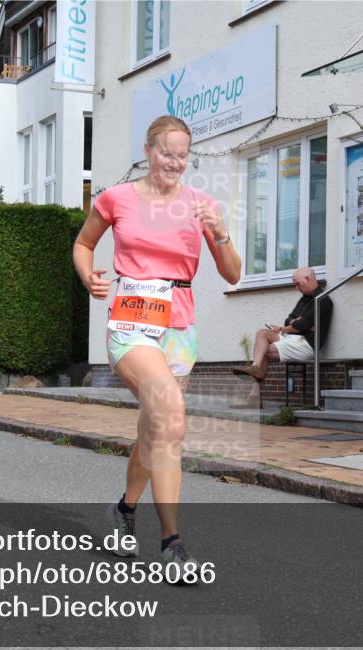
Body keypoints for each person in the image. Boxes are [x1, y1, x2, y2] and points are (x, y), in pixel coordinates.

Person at [73, 115, 241, 574]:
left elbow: (232, 274)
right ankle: (172, 544)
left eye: (182, 155)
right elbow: (84, 244)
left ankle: (124, 510)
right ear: (148, 150)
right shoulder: (116, 198)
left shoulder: (201, 204)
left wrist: (221, 232)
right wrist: (88, 276)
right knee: (170, 414)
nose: (174, 162)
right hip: (131, 321)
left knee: (156, 431)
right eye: (167, 153)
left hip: (179, 329)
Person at [229, 267, 332, 407]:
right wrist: (297, 323)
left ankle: (254, 397)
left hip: (307, 344)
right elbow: (289, 321)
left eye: (298, 284)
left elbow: (300, 326)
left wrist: (292, 326)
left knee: (263, 351)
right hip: (293, 339)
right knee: (262, 333)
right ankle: (255, 367)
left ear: (308, 279)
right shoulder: (304, 299)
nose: (296, 288)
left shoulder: (323, 300)